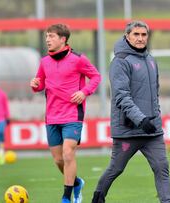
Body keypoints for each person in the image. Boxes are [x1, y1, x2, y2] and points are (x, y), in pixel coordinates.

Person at [92, 21, 170, 203]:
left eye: (144, 35)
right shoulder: (120, 61)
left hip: (152, 130)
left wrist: (154, 119)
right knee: (116, 168)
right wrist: (140, 119)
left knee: (162, 167)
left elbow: (155, 94)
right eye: (136, 34)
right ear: (127, 36)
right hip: (128, 130)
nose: (140, 38)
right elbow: (121, 97)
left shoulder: (151, 61)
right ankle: (97, 198)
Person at [30, 24, 101, 203]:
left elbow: (96, 77)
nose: (47, 39)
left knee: (68, 153)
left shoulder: (78, 59)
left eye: (51, 36)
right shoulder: (44, 61)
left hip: (72, 115)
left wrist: (84, 92)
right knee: (58, 160)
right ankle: (76, 183)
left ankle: (66, 198)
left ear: (63, 39)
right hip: (51, 116)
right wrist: (35, 84)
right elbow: (40, 84)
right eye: (46, 36)